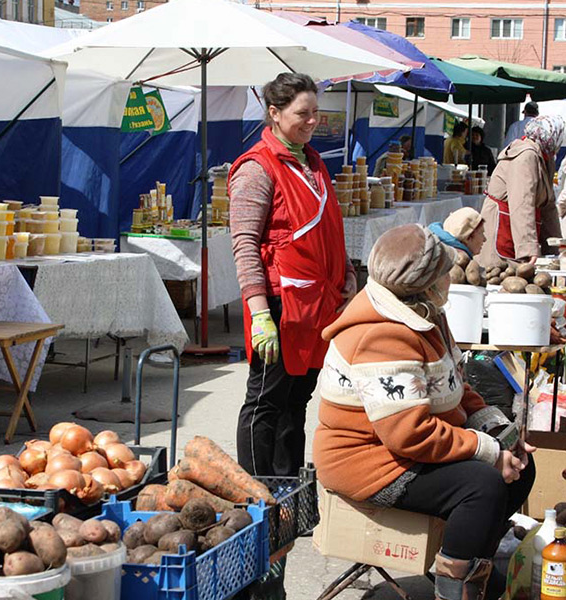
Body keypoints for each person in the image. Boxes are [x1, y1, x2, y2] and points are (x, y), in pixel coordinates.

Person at [313, 224, 535, 600]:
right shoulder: (382, 337)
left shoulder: (427, 315)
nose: (451, 277)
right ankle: (454, 588)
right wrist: (486, 452)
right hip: (370, 463)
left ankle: (473, 564)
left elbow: (455, 387)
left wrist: (502, 436)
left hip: (406, 447)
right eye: (444, 271)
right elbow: (409, 433)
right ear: (425, 284)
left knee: (520, 468)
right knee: (482, 487)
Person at [228, 72, 357, 478]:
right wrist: (259, 310)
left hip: (318, 305)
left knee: (296, 401)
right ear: (274, 113)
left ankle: (287, 489)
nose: (313, 121)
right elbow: (245, 243)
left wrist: (347, 272)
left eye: (317, 112)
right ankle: (257, 493)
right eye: (303, 113)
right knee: (265, 400)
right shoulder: (256, 169)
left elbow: (328, 226)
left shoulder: (313, 162)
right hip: (280, 307)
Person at [476, 116, 564, 269]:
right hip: (503, 226)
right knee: (498, 275)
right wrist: (528, 247)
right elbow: (522, 203)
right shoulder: (527, 156)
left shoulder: (545, 157)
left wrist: (556, 247)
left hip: (516, 226)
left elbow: (548, 205)